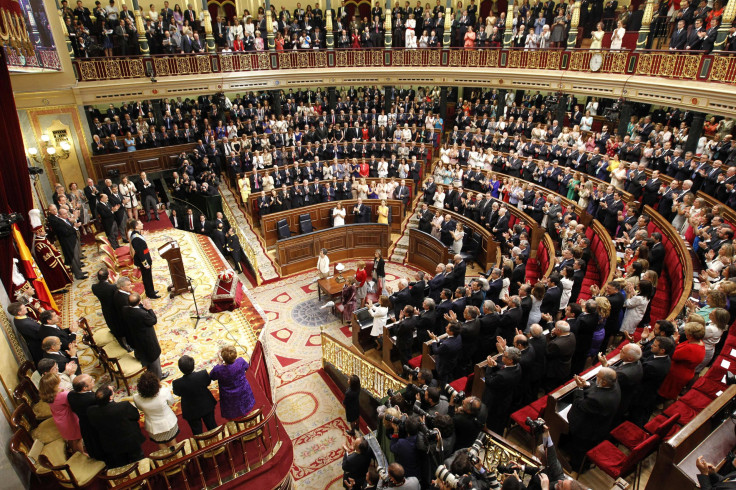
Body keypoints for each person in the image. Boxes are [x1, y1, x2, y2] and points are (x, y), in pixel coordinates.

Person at [566, 367, 621, 468]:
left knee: (580, 449)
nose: (596, 378)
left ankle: (576, 466)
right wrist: (587, 384)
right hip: (602, 424)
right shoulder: (615, 385)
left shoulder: (597, 400)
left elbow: (580, 404)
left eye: (597, 377)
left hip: (588, 429)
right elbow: (598, 389)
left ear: (604, 382)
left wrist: (579, 388)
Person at [87, 385, 145, 467]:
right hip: (130, 441)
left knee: (121, 464)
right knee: (139, 460)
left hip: (111, 444)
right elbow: (135, 416)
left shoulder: (91, 411)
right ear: (110, 397)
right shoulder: (123, 406)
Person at [658, 322, 706, 400]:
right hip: (680, 372)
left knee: (667, 395)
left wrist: (672, 342)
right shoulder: (698, 342)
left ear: (690, 335)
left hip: (677, 375)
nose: (685, 332)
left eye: (686, 331)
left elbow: (673, 355)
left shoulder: (691, 348)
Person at [172, 355, 218, 435]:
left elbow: (177, 393)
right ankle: (218, 443)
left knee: (197, 432)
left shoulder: (177, 383)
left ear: (180, 369)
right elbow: (208, 382)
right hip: (206, 404)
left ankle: (202, 446)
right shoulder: (202, 374)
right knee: (212, 426)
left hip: (191, 410)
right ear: (193, 365)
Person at [125, 292, 167, 379]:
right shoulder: (142, 314)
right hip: (147, 340)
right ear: (139, 302)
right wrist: (149, 309)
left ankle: (148, 369)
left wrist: (142, 306)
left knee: (144, 356)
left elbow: (136, 309)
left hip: (135, 338)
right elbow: (153, 320)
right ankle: (158, 376)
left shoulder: (125, 309)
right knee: (154, 358)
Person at [39, 372, 84, 454]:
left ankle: (73, 451)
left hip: (60, 420)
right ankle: (81, 454)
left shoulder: (49, 395)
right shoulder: (62, 395)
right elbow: (74, 401)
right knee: (77, 439)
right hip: (70, 420)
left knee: (71, 438)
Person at [133, 371, 179, 450]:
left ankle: (168, 459)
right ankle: (178, 459)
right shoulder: (164, 392)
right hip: (169, 423)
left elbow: (140, 408)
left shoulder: (136, 398)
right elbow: (171, 402)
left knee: (160, 444)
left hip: (153, 427)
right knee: (172, 442)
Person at [209, 345, 256, 420]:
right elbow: (247, 367)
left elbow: (211, 376)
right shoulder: (240, 361)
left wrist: (220, 362)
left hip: (229, 397)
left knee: (233, 416)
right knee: (247, 409)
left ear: (223, 357)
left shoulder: (218, 369)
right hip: (244, 391)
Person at [67, 374, 104, 460]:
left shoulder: (71, 395)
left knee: (91, 444)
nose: (94, 380)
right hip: (95, 425)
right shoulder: (93, 399)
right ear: (85, 388)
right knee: (99, 444)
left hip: (84, 424)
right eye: (91, 380)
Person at [129, 219, 159, 299]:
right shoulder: (136, 238)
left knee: (148, 276)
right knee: (147, 278)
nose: (142, 223)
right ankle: (150, 294)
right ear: (136, 226)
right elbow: (140, 253)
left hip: (145, 256)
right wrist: (145, 264)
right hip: (144, 260)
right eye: (140, 223)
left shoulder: (136, 234)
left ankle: (151, 290)